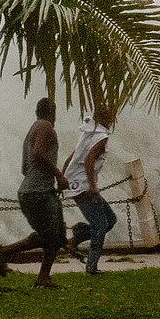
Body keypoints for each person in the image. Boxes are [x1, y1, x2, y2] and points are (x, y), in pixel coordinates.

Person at [0, 97, 70, 287]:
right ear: (53, 113)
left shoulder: (31, 130)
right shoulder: (45, 126)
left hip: (30, 190)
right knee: (53, 235)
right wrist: (58, 175)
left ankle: (43, 277)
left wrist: (46, 178)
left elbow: (25, 168)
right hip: (39, 192)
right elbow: (37, 154)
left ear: (36, 112)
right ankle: (4, 252)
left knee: (56, 234)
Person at [62, 106, 118, 275]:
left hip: (76, 183)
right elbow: (88, 161)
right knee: (100, 225)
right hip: (84, 186)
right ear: (109, 120)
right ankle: (91, 267)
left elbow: (72, 157)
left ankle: (77, 236)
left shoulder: (87, 132)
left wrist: (64, 177)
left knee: (110, 219)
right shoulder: (101, 137)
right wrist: (92, 185)